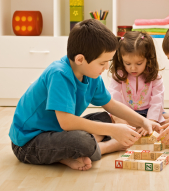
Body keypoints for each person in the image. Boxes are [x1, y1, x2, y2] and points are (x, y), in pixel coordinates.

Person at [9, 19, 160, 171]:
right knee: (83, 141)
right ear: (80, 59)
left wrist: (143, 121)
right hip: (28, 142)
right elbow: (67, 123)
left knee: (106, 118)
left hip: (57, 132)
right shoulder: (59, 74)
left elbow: (111, 105)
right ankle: (105, 146)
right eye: (102, 63)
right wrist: (114, 131)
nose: (106, 67)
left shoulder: (91, 74)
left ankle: (69, 154)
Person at [108, 31, 169, 135]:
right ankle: (139, 127)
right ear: (121, 59)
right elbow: (113, 96)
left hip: (148, 113)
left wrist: (151, 121)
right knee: (109, 119)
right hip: (128, 114)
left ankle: (142, 127)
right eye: (127, 63)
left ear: (148, 59)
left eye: (139, 63)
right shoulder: (120, 74)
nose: (133, 68)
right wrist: (120, 118)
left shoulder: (155, 76)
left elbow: (157, 100)